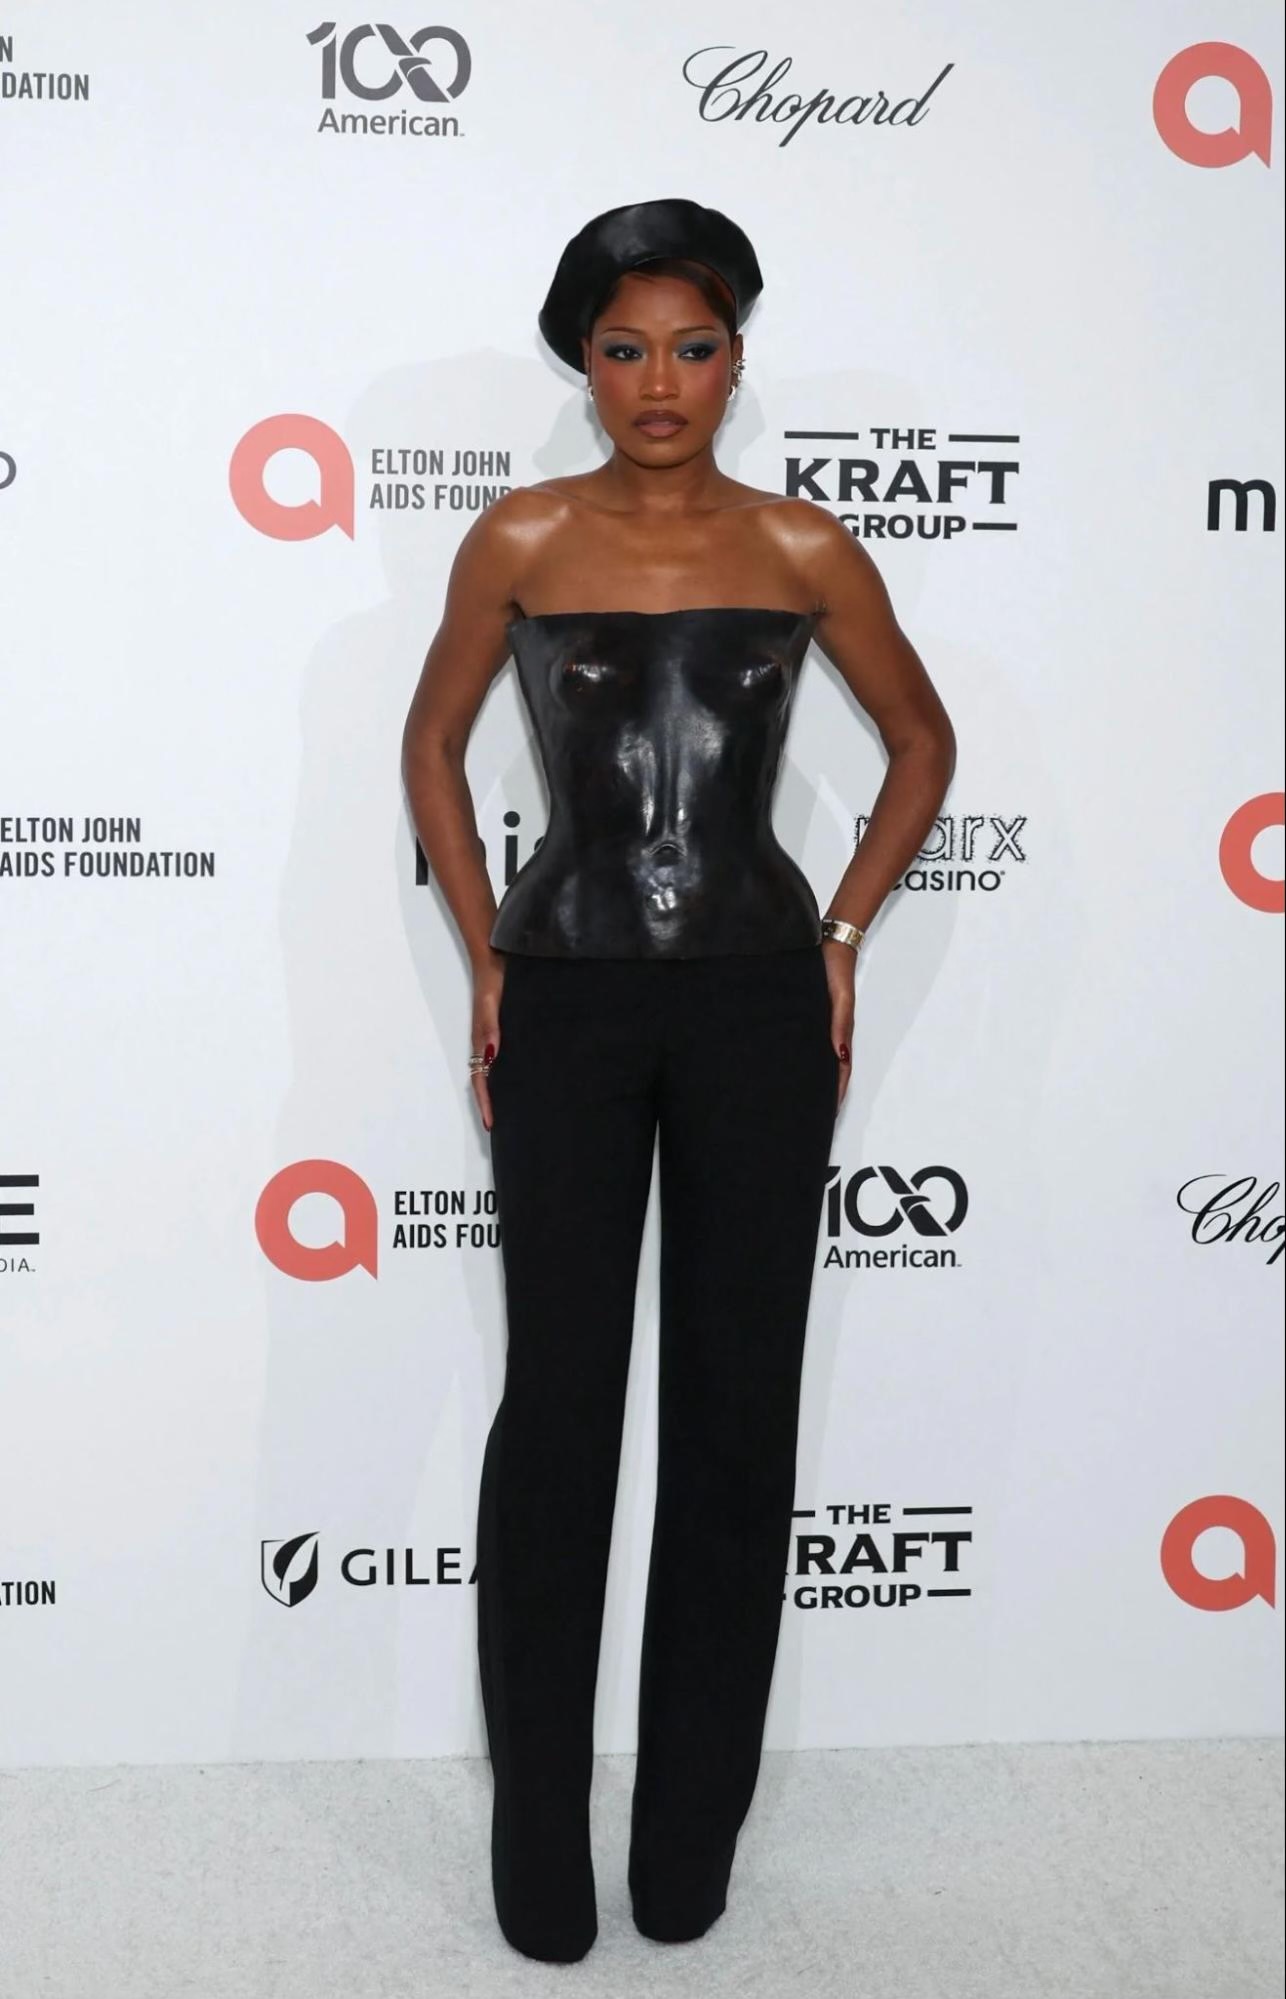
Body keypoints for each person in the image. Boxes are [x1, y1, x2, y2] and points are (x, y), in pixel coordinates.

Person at [400, 196, 956, 1964]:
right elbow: (429, 749)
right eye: (624, 348)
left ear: (734, 359)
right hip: (564, 1002)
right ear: (582, 361)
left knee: (733, 1415)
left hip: (753, 1009)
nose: (658, 382)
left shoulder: (801, 546)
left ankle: (687, 1853)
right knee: (558, 1415)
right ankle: (537, 1861)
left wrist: (841, 935)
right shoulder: (519, 534)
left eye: (693, 348)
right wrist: (488, 951)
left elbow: (922, 743)